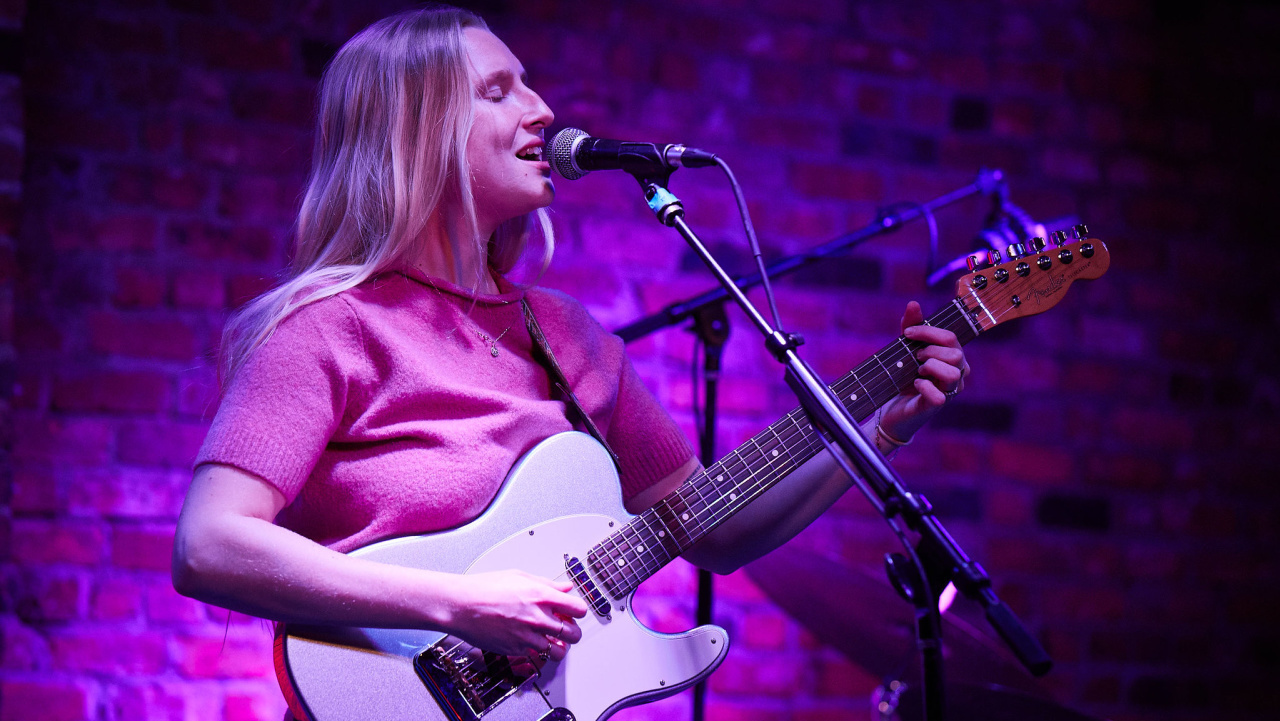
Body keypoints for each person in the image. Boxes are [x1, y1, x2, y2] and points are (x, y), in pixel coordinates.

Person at [171, 4, 969, 715]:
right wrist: (460, 605)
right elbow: (209, 545)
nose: (543, 110)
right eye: (498, 90)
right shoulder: (329, 329)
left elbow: (714, 532)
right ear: (414, 129)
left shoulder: (569, 335)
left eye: (530, 85)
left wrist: (880, 424)